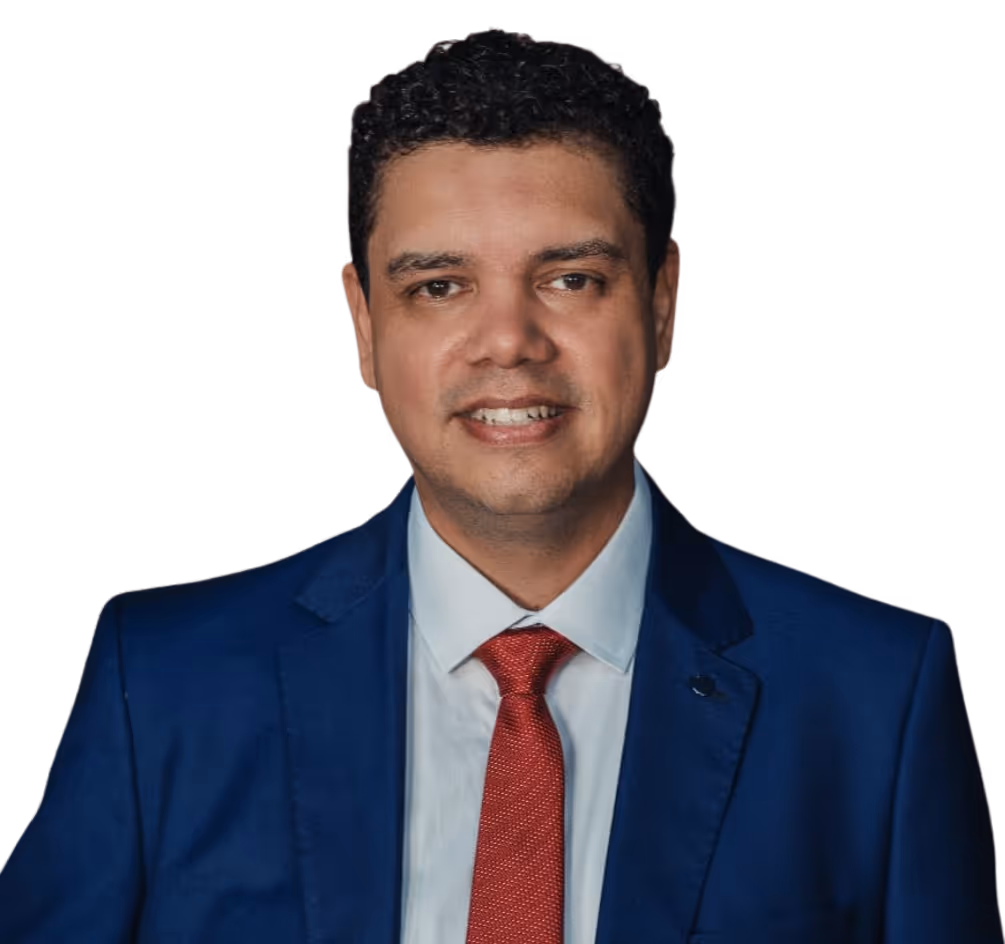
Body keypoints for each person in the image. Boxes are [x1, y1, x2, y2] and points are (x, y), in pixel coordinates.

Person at [1, 29, 1000, 944]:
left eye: (570, 279)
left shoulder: (876, 695)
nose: (509, 342)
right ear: (363, 326)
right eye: (438, 286)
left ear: (661, 305)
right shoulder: (160, 683)